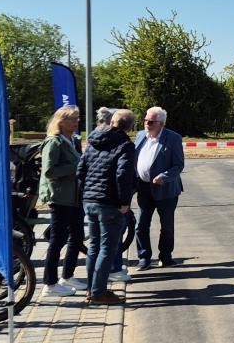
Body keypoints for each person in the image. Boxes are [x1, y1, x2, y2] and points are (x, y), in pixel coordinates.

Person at [77, 108, 136, 306]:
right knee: (107, 249)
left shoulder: (92, 140)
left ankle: (91, 288)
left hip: (90, 201)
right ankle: (98, 292)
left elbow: (81, 170)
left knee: (93, 246)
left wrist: (84, 195)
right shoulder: (125, 145)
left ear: (112, 122)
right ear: (130, 127)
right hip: (110, 203)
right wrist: (124, 202)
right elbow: (123, 175)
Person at [38, 105, 83, 298]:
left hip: (74, 197)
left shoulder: (72, 140)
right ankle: (49, 283)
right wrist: (76, 166)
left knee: (77, 236)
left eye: (77, 118)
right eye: (72, 119)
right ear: (61, 121)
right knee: (57, 240)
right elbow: (49, 171)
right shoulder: (54, 143)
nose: (76, 122)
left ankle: (68, 275)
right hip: (60, 198)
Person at [134, 106, 185, 271]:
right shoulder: (141, 136)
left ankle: (166, 257)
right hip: (143, 188)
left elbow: (178, 165)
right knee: (141, 225)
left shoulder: (173, 138)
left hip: (166, 189)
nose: (146, 124)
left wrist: (164, 176)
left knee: (167, 226)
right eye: (145, 120)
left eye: (151, 121)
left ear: (161, 123)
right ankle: (144, 257)